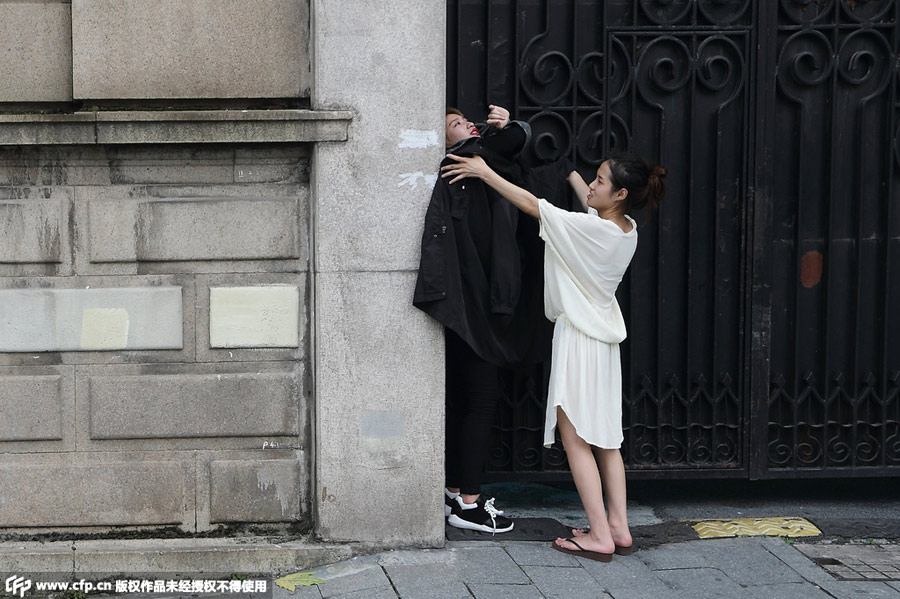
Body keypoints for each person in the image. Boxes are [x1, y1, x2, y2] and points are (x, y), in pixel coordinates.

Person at [440, 151, 666, 560]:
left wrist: (484, 170)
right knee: (607, 441)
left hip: (578, 340)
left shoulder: (587, 229)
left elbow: (532, 205)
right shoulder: (625, 229)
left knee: (576, 438)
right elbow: (587, 202)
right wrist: (572, 174)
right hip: (604, 344)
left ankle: (598, 534)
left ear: (619, 194)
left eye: (600, 181)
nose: (592, 186)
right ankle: (618, 527)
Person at [414, 105, 581, 534]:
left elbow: (518, 142)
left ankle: (457, 491)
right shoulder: (468, 158)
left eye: (466, 120)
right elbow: (519, 139)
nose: (466, 124)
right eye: (455, 124)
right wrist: (501, 130)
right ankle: (467, 504)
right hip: (481, 306)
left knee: (471, 397)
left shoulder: (481, 162)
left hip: (477, 302)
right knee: (481, 398)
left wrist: (504, 130)